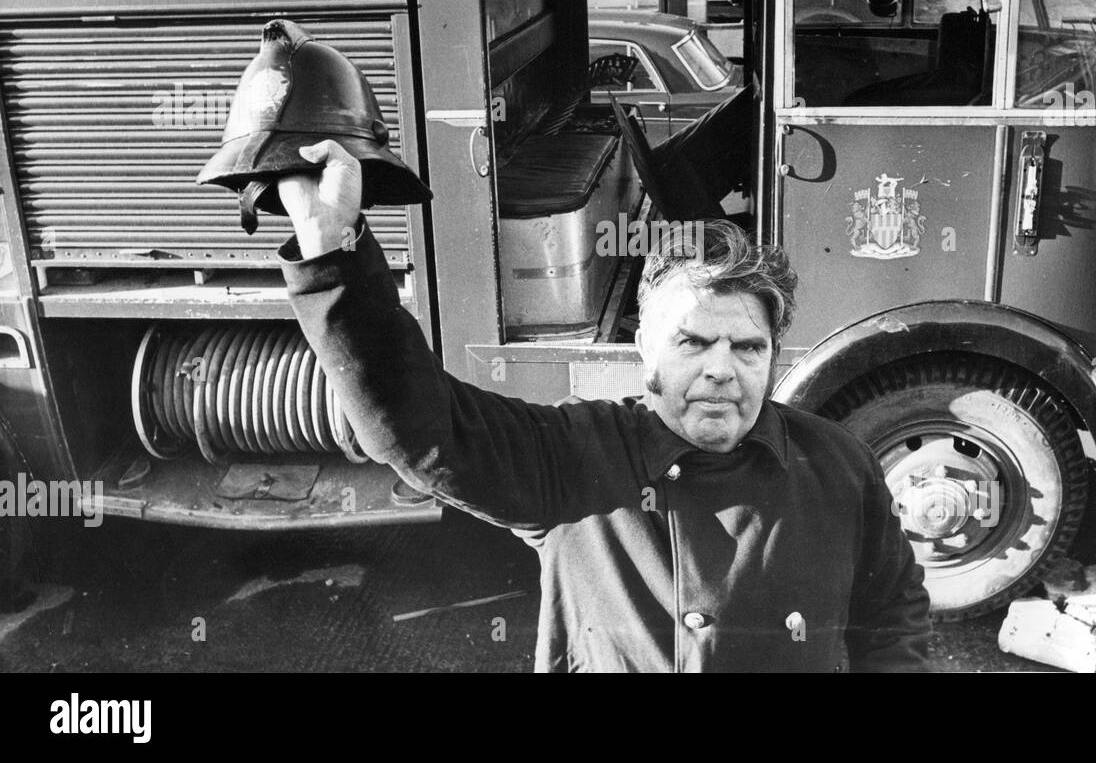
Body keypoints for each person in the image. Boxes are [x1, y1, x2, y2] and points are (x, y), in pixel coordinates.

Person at [275, 140, 932, 672]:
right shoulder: (573, 453)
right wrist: (331, 249)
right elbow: (417, 427)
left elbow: (892, 612)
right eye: (693, 342)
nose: (721, 370)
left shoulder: (839, 465)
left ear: (774, 356)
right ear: (645, 348)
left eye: (748, 347)